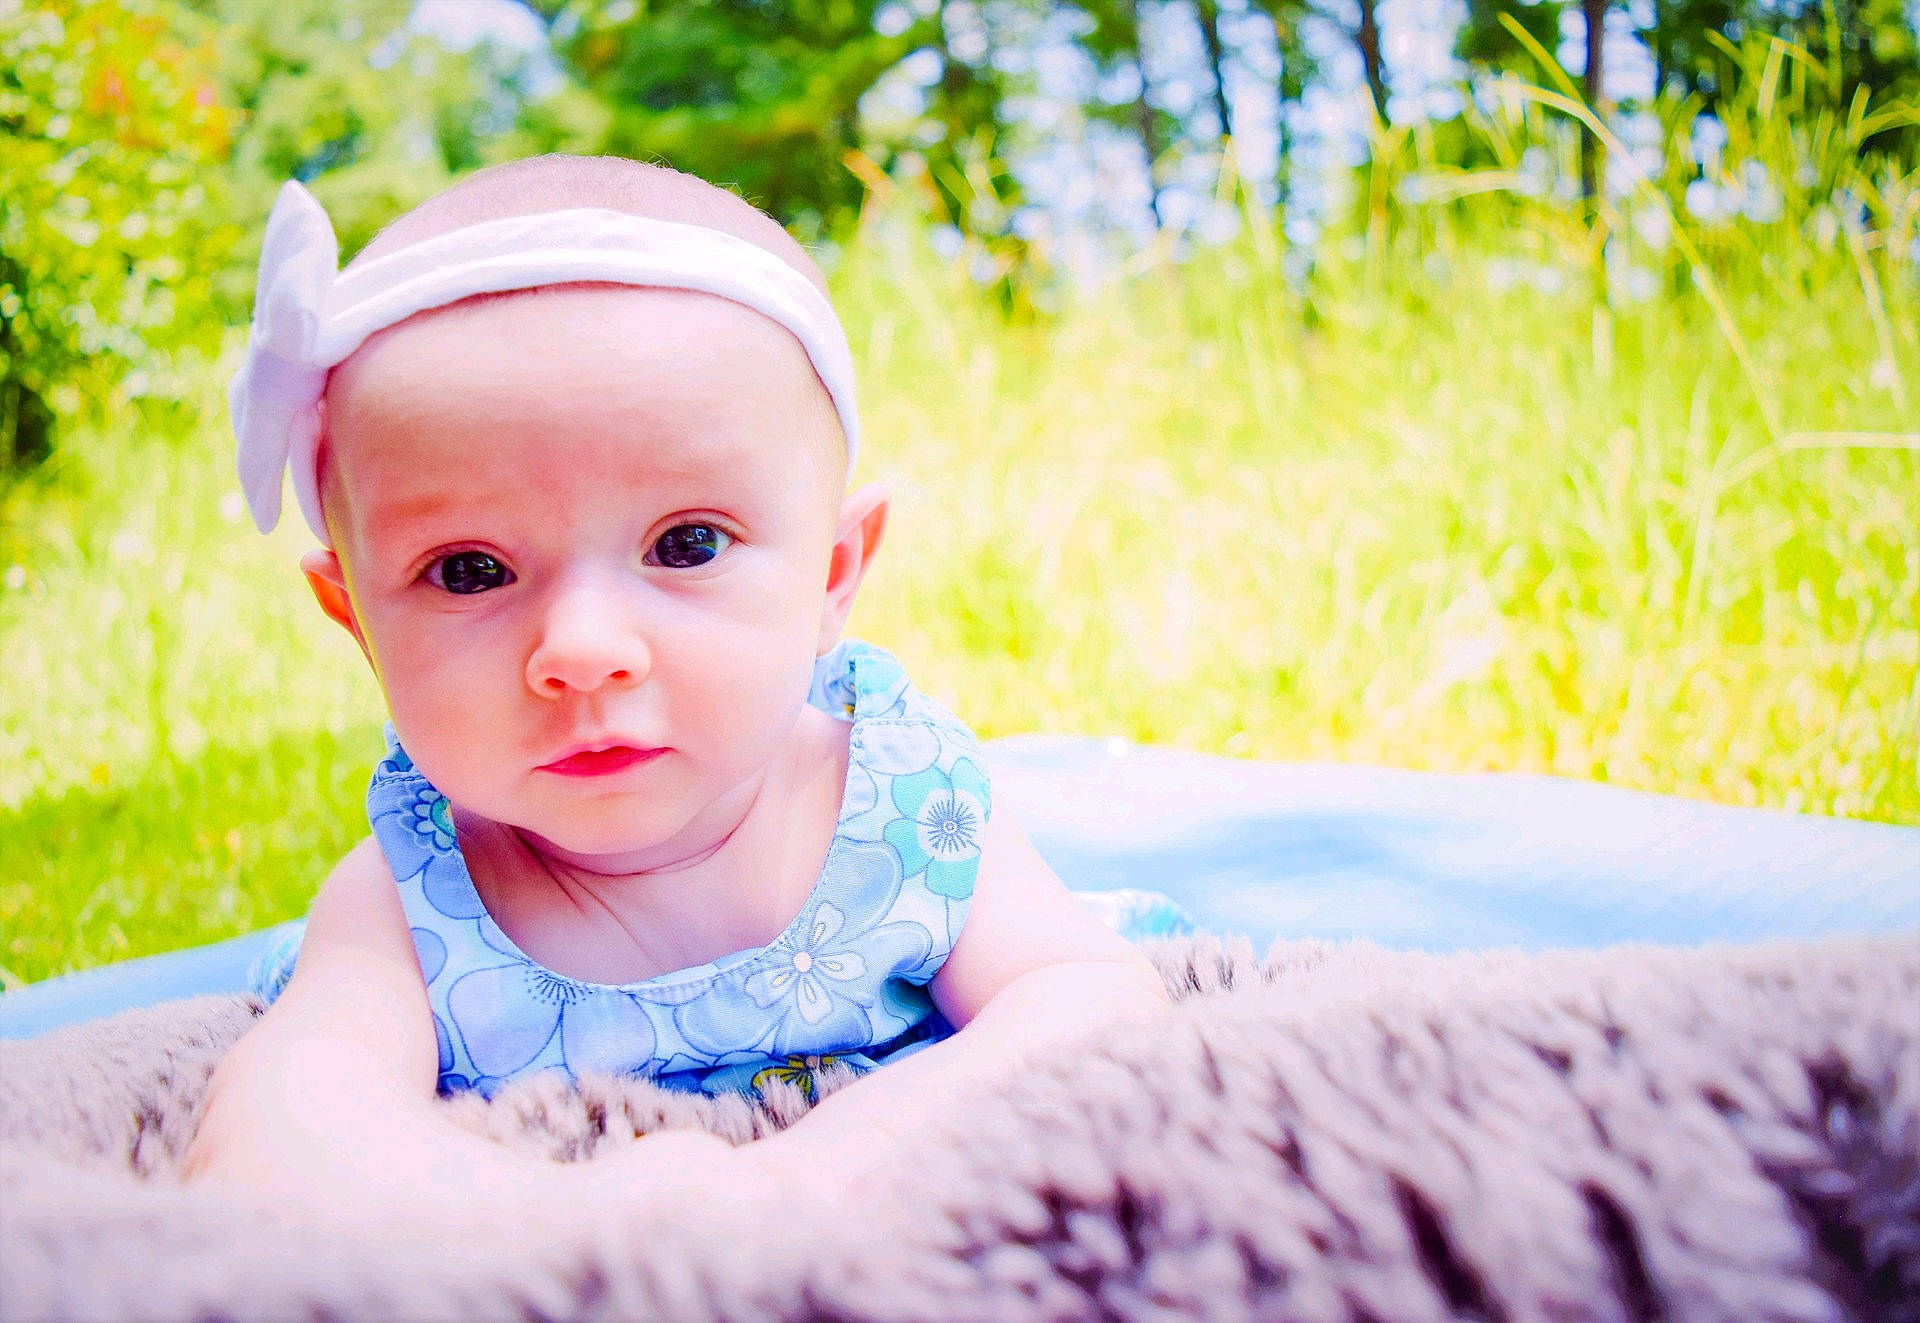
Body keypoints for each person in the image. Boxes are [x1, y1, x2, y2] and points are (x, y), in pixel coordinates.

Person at [183, 154, 1172, 1211]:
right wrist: (552, 1220)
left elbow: (1092, 1002)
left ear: (831, 576)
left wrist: (828, 1162)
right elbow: (283, 1123)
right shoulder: (415, 896)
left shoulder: (905, 809)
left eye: (687, 544)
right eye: (469, 571)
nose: (581, 649)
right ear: (358, 624)